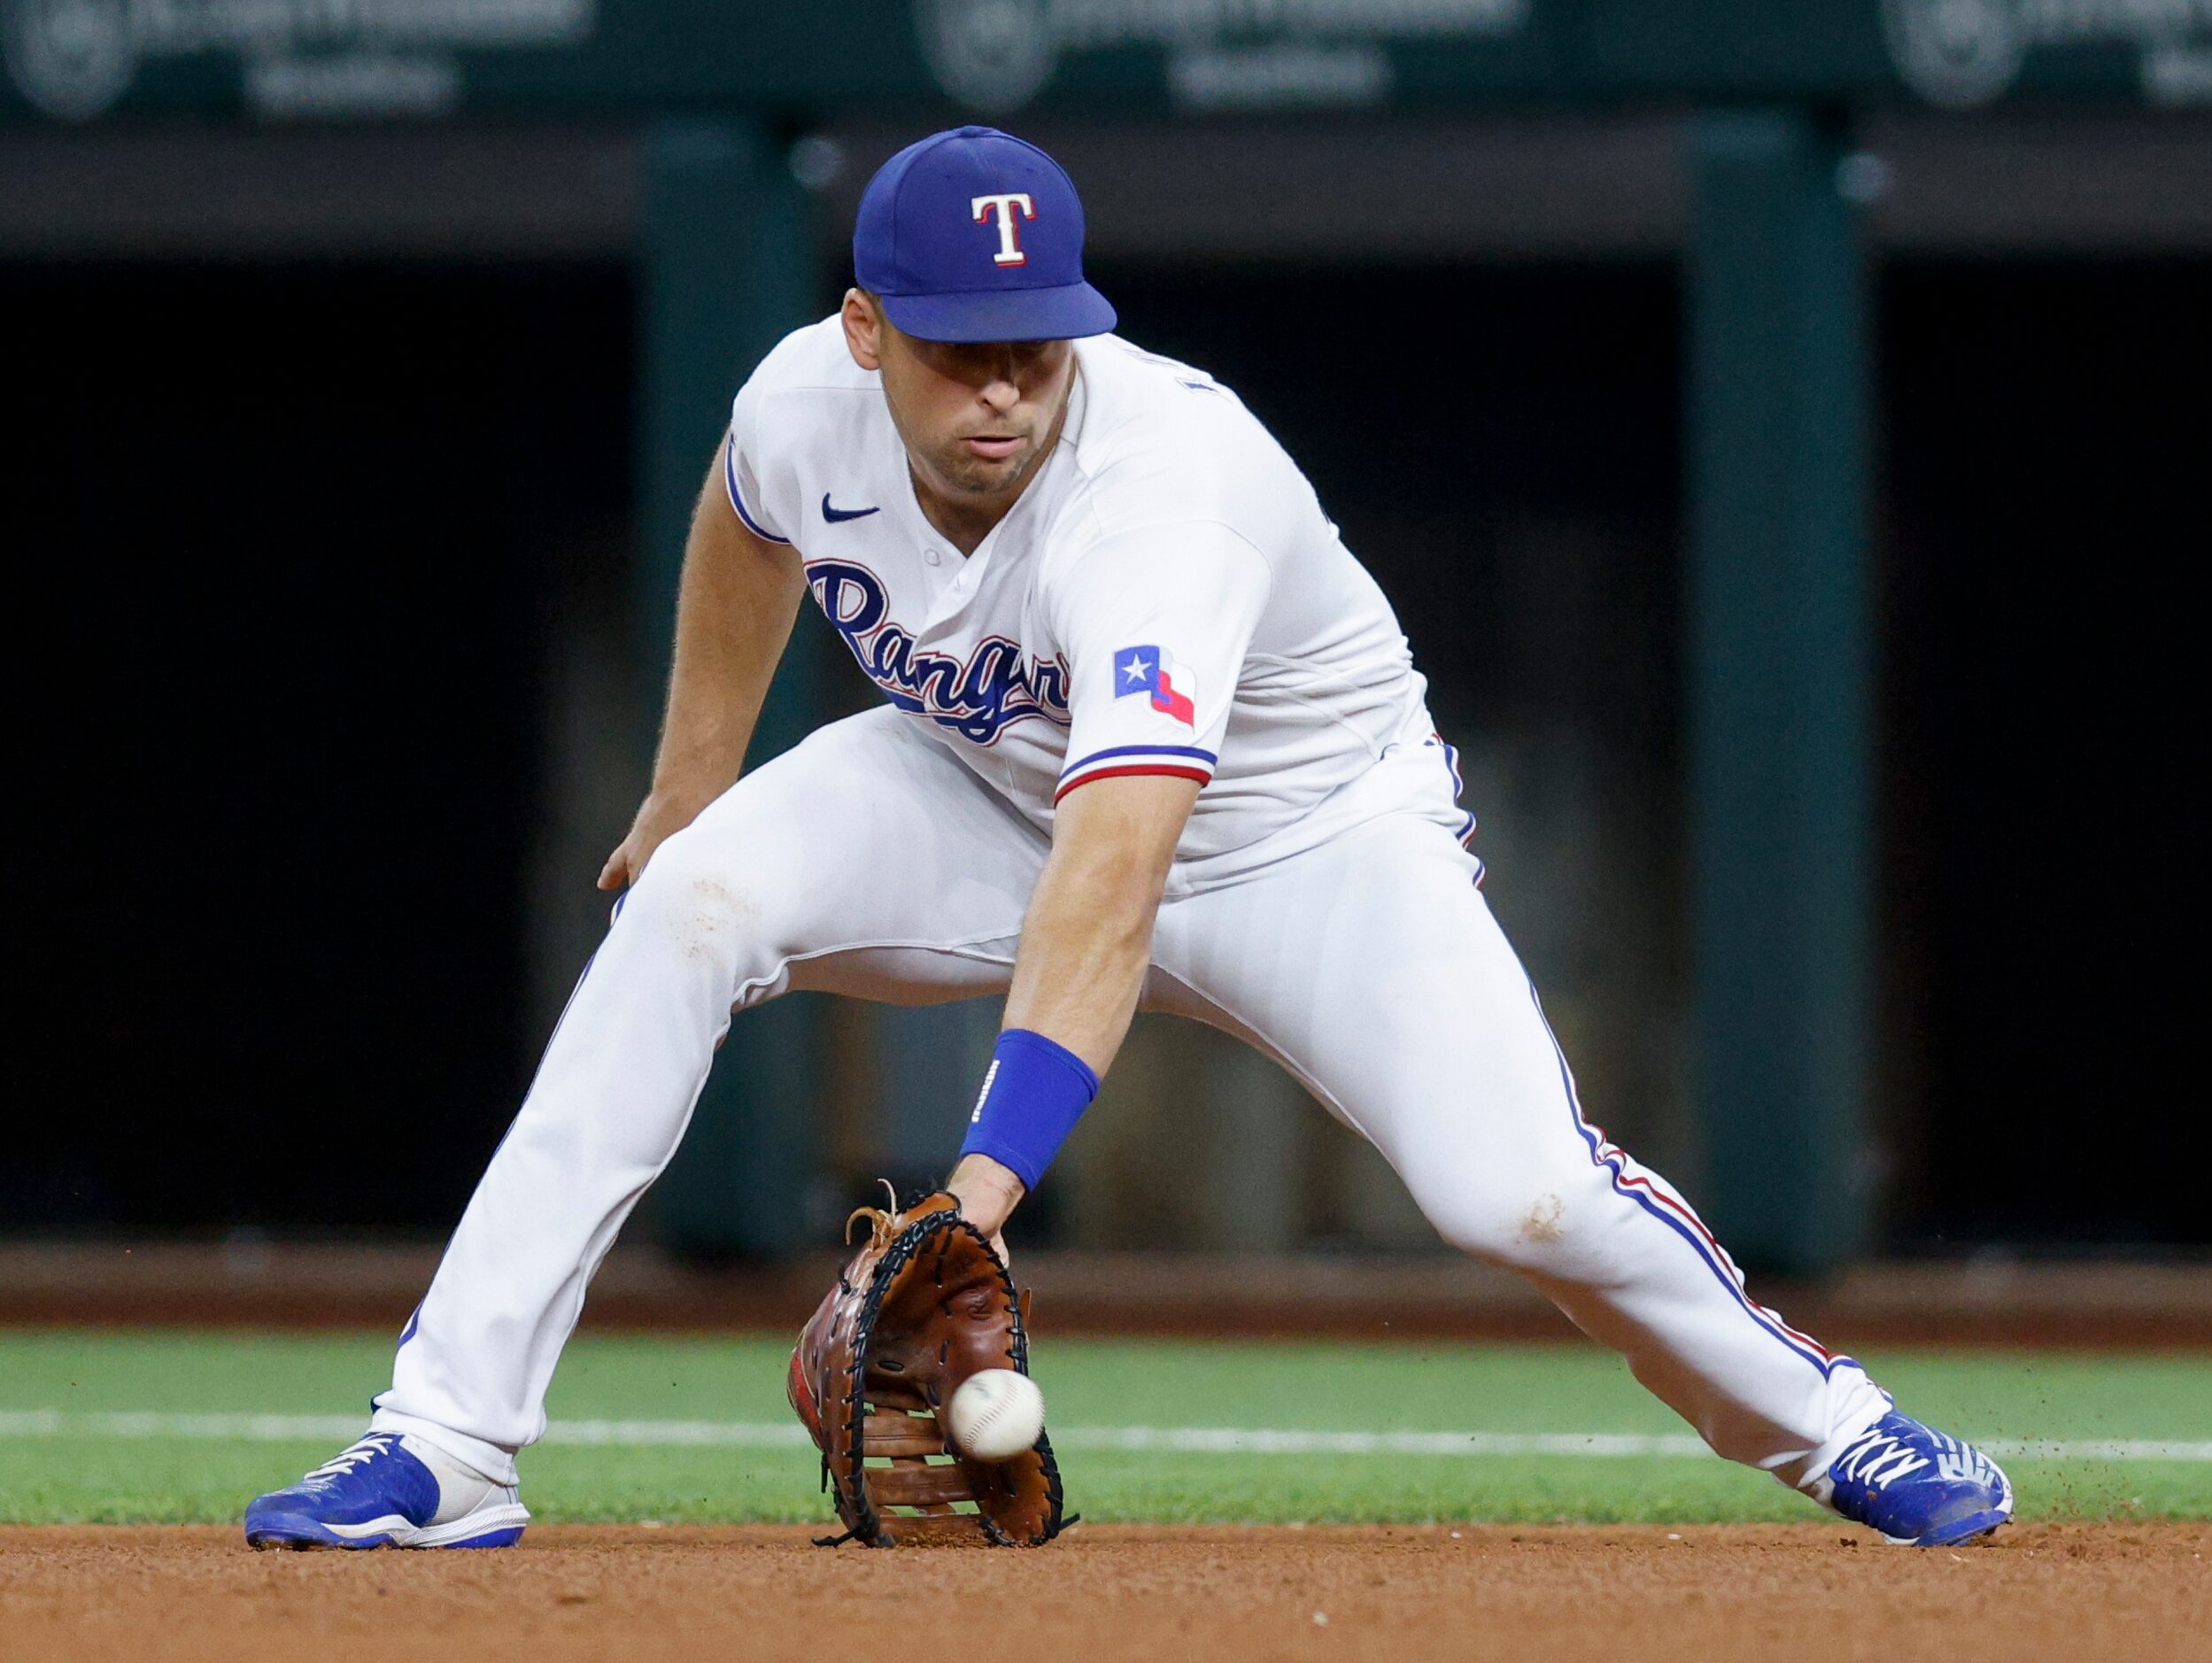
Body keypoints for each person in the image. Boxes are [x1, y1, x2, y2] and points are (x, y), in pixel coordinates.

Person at [244, 126, 2011, 1552]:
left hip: (1305, 838)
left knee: (1516, 1188)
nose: (1005, 390)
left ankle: (1834, 1429)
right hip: (977, 785)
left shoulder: (1161, 494)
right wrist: (686, 780)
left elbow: (1120, 868)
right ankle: (448, 1446)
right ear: (868, 330)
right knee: (687, 906)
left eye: (1036, 346)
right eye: (958, 349)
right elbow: (741, 521)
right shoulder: (805, 400)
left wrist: (979, 1198)